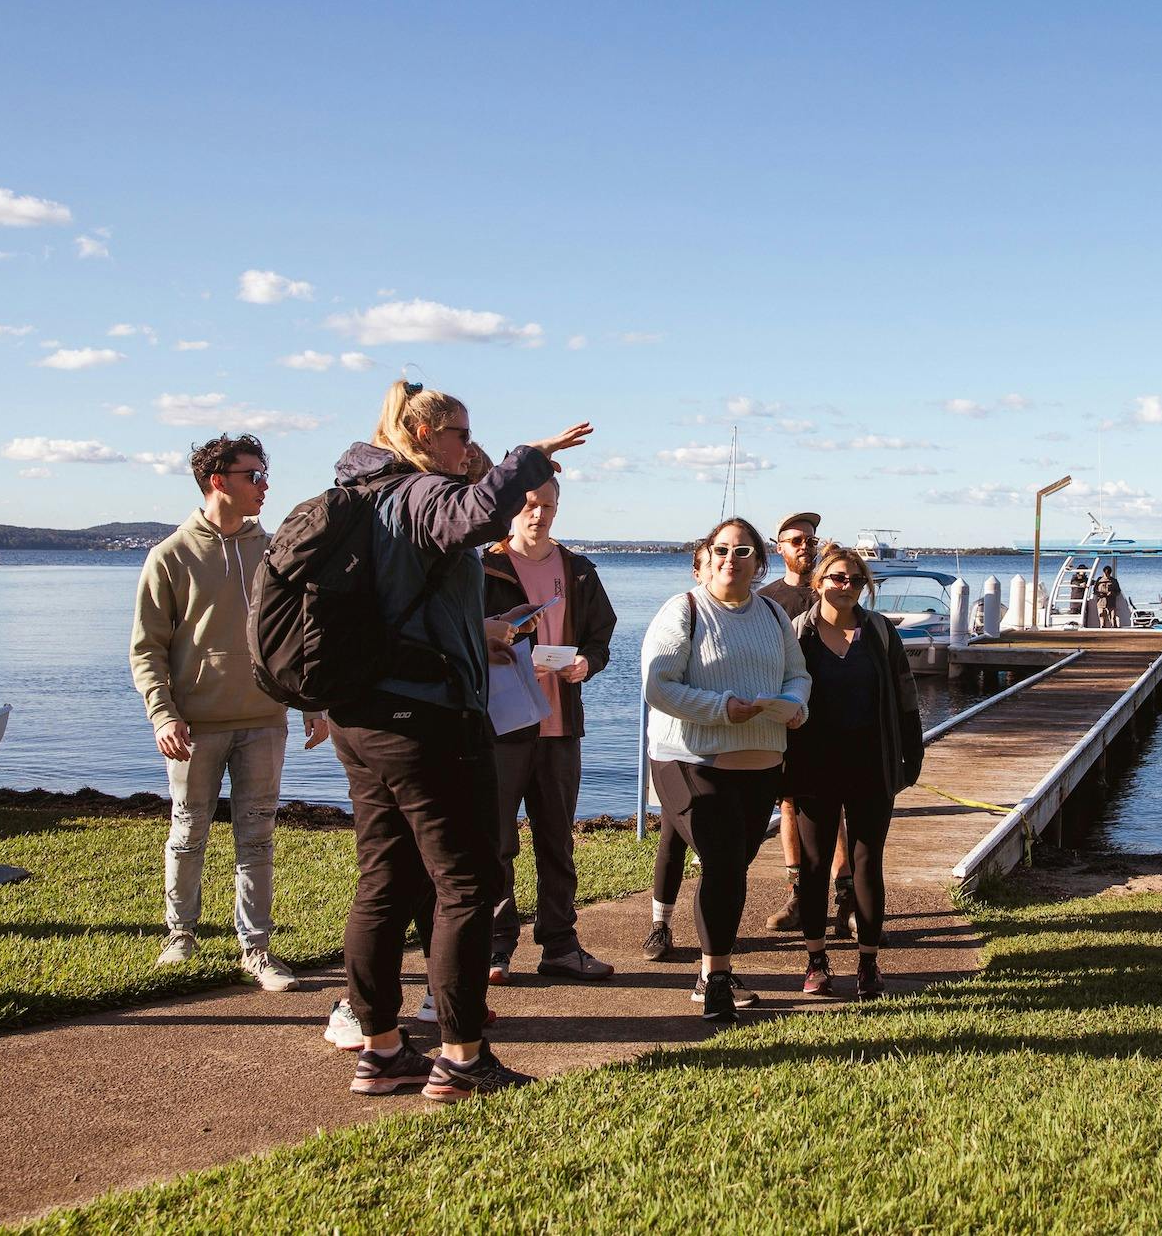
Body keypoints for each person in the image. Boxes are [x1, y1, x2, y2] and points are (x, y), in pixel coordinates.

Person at [329, 378, 590, 1101]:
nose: (469, 447)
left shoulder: (363, 495)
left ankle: (381, 1050)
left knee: (385, 880)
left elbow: (401, 605)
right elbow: (479, 509)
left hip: (365, 716)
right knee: (467, 884)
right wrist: (528, 456)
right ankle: (462, 1055)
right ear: (417, 435)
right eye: (458, 434)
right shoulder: (414, 492)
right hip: (424, 719)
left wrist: (477, 629)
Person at [130, 433, 325, 993]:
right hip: (195, 725)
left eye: (264, 474)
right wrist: (163, 715)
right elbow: (148, 648)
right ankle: (180, 934)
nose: (265, 486)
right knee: (189, 831)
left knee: (257, 836)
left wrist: (312, 701)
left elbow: (300, 634)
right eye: (253, 475)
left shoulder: (275, 552)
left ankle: (256, 949)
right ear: (219, 480)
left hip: (265, 719)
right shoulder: (170, 556)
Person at [641, 516, 809, 1022]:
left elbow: (797, 674)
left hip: (760, 763)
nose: (730, 560)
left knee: (732, 868)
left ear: (759, 563)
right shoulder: (684, 611)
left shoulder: (774, 618)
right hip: (690, 759)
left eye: (742, 552)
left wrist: (796, 706)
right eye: (721, 550)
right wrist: (721, 708)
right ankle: (715, 978)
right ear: (704, 559)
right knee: (719, 861)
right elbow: (659, 686)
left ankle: (712, 972)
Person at [480, 478, 618, 982]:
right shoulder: (483, 567)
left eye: (548, 507)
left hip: (560, 724)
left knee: (557, 840)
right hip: (504, 723)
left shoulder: (578, 570)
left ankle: (559, 945)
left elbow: (601, 633)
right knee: (496, 840)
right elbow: (458, 635)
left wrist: (587, 662)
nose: (538, 515)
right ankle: (496, 946)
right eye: (529, 505)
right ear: (511, 508)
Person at [784, 545, 922, 999]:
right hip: (812, 768)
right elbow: (780, 696)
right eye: (838, 578)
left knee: (867, 863)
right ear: (818, 582)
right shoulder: (797, 634)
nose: (846, 587)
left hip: (871, 766)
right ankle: (816, 961)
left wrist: (911, 754)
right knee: (815, 864)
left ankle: (868, 964)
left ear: (865, 587)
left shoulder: (880, 633)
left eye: (856, 580)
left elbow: (905, 697)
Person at [756, 511, 833, 933]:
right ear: (780, 547)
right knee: (789, 804)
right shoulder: (766, 602)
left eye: (811, 539)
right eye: (796, 540)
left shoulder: (833, 591)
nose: (806, 546)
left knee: (835, 807)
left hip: (832, 716)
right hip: (787, 720)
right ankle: (799, 896)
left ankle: (845, 897)